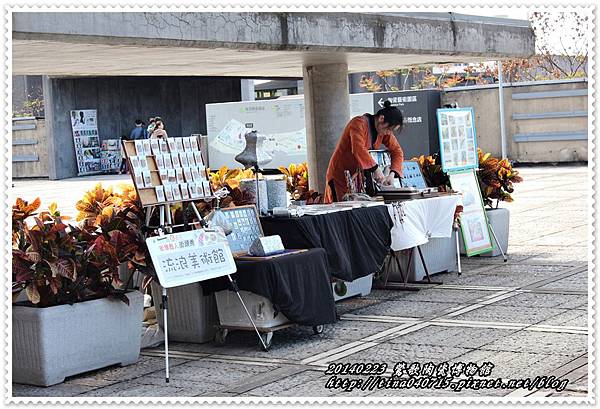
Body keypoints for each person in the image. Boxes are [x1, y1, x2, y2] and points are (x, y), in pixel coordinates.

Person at [324, 100, 404, 203]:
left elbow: (397, 151)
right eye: (389, 129)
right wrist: (376, 170)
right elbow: (358, 148)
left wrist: (392, 174)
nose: (389, 133)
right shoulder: (358, 123)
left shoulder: (383, 130)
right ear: (381, 119)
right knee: (339, 208)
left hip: (356, 177)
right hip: (339, 174)